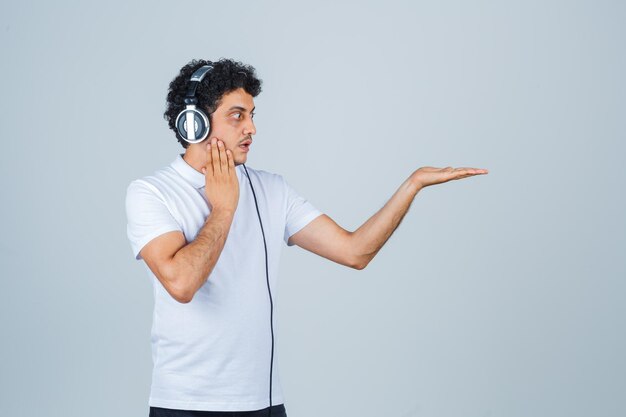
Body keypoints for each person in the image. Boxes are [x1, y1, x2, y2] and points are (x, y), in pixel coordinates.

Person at [125, 58, 488, 417]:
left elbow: (354, 252)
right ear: (194, 124)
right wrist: (223, 209)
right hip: (188, 405)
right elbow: (182, 284)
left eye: (252, 115)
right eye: (238, 116)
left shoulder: (271, 189)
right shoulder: (152, 193)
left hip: (263, 402)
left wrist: (413, 184)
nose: (251, 128)